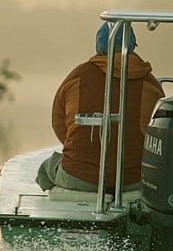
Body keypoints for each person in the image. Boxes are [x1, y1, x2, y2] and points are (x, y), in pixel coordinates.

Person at [37, 22, 164, 194]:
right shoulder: (151, 83)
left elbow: (59, 124)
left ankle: (56, 206)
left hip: (79, 177)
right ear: (133, 45)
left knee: (47, 168)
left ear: (99, 45)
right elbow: (159, 134)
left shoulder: (78, 76)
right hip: (133, 180)